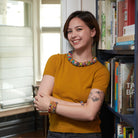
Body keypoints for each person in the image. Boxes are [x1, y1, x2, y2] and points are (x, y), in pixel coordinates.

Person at [34, 10, 110, 138]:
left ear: (92, 32)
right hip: (55, 133)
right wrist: (82, 106)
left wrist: (51, 105)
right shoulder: (55, 61)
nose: (73, 35)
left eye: (79, 29)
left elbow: (90, 114)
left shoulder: (100, 71)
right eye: (69, 31)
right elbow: (41, 101)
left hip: (88, 135)